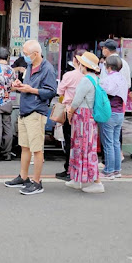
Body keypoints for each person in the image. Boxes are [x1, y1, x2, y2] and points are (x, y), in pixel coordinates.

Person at [4, 40, 57, 196]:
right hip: (25, 110)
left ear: (35, 54)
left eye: (26, 54)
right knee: (25, 147)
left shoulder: (47, 69)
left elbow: (51, 91)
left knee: (37, 149)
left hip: (36, 112)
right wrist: (20, 85)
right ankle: (23, 176)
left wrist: (32, 90)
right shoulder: (30, 66)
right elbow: (28, 87)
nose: (24, 56)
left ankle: (37, 181)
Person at [65, 51, 105, 193]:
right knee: (85, 148)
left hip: (82, 118)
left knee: (82, 148)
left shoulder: (86, 80)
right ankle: (78, 179)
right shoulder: (96, 79)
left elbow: (76, 100)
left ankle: (97, 182)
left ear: (84, 65)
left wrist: (70, 112)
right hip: (90, 118)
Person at [55, 49, 86, 181]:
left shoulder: (69, 75)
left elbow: (59, 91)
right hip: (84, 112)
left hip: (69, 110)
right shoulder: (90, 76)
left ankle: (69, 168)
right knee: (80, 142)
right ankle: (79, 170)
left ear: (75, 60)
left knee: (69, 140)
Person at [99, 54, 128, 179]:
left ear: (108, 66)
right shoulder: (122, 79)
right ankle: (117, 169)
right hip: (120, 113)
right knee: (116, 142)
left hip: (109, 113)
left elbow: (105, 91)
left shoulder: (108, 80)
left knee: (108, 143)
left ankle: (109, 170)